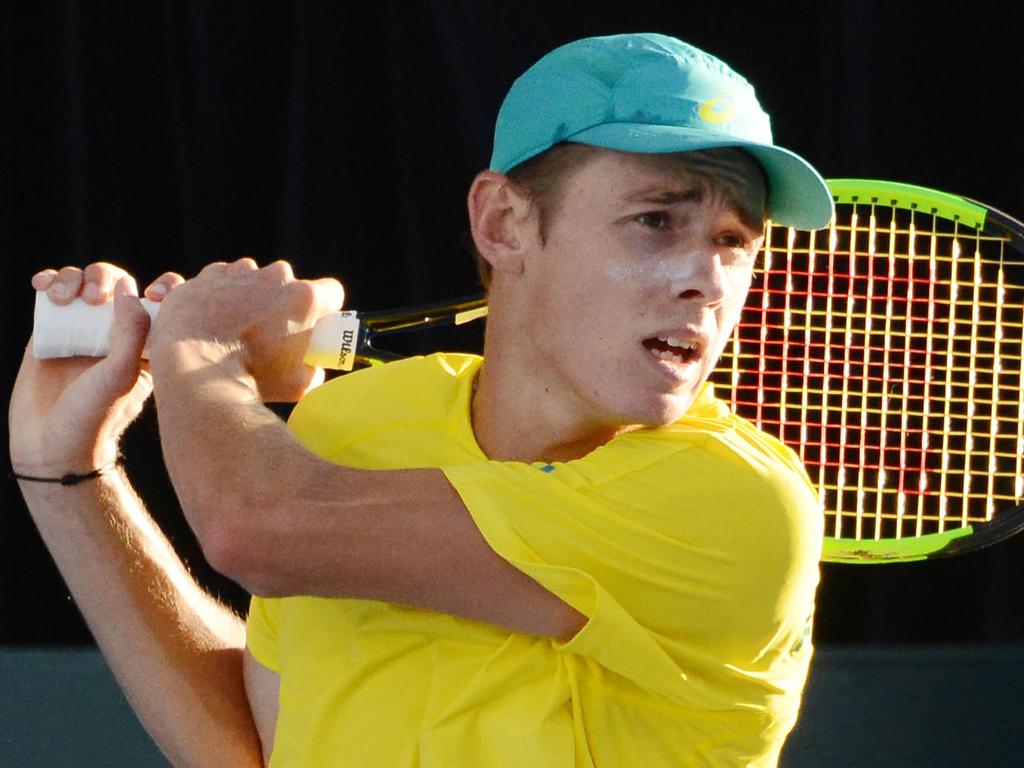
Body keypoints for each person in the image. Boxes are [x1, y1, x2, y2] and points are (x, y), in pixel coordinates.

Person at [9, 33, 832, 767]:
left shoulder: (735, 504)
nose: (708, 279)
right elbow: (255, 748)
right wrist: (71, 475)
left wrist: (198, 341)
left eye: (734, 241)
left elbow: (253, 526)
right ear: (504, 223)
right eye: (656, 221)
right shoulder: (349, 429)